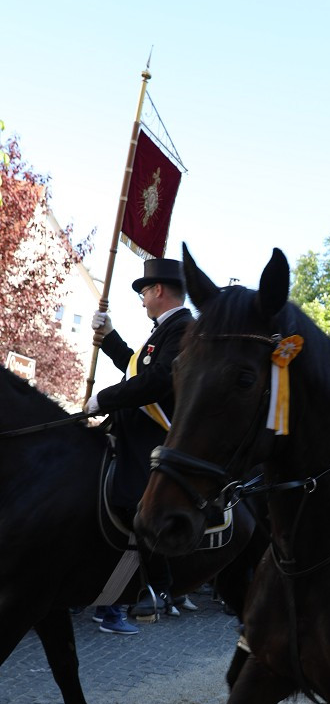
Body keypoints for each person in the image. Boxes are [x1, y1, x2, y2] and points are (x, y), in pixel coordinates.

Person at [84, 258, 194, 618]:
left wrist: (105, 397)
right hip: (132, 428)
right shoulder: (166, 329)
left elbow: (159, 381)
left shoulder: (182, 329)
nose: (143, 299)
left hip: (153, 436)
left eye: (144, 292)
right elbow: (138, 367)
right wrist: (110, 338)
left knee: (135, 502)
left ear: (158, 290)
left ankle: (150, 586)